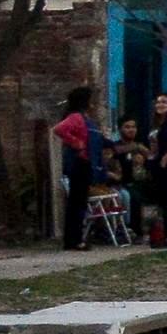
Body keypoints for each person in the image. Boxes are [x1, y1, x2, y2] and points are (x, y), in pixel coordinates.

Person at [52, 86, 99, 248]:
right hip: (79, 163)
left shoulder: (86, 118)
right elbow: (59, 129)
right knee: (76, 203)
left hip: (86, 163)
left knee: (80, 202)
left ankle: (75, 238)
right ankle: (74, 239)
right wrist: (76, 143)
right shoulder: (76, 117)